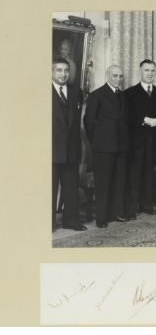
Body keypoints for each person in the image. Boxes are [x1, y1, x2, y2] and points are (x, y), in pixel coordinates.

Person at [84, 65, 130, 228]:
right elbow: (88, 122)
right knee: (103, 184)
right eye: (115, 75)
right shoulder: (97, 95)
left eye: (120, 76)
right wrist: (97, 141)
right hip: (103, 148)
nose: (118, 79)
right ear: (107, 76)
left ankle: (116, 213)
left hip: (121, 146)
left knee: (118, 181)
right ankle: (101, 218)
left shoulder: (123, 95)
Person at [124, 59, 156, 218]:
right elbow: (128, 116)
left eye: (152, 71)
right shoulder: (130, 93)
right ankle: (132, 207)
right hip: (136, 141)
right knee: (134, 174)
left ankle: (146, 205)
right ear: (140, 72)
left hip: (153, 141)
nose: (150, 73)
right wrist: (144, 119)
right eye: (146, 70)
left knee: (149, 173)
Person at [52, 58, 87, 232]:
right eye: (59, 70)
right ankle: (48, 223)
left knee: (71, 188)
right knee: (49, 188)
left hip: (71, 150)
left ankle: (71, 221)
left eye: (66, 70)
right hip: (51, 150)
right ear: (52, 72)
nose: (63, 74)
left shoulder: (76, 92)